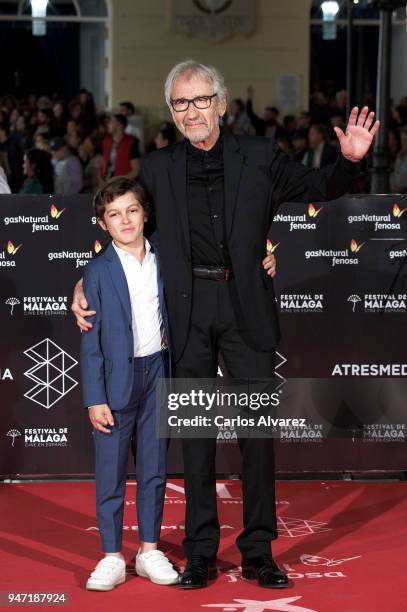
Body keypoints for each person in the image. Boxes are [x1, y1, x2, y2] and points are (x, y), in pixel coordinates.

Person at [72, 60, 379, 590]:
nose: (192, 112)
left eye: (200, 99)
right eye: (180, 103)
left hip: (246, 308)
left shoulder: (259, 156)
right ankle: (200, 552)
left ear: (221, 101)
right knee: (196, 438)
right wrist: (83, 283)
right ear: (172, 112)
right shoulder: (159, 167)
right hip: (189, 314)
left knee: (256, 438)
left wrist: (348, 161)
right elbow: (128, 232)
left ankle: (259, 548)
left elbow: (318, 185)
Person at [81, 176, 179, 591]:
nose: (125, 220)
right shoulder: (97, 271)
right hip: (115, 381)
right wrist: (94, 397)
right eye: (114, 215)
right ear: (103, 223)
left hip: (158, 370)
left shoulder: (167, 259)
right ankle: (111, 556)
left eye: (132, 211)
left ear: (145, 213)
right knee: (111, 474)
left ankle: (149, 548)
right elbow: (90, 340)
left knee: (155, 470)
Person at [101, 114, 141, 179]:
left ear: (120, 125)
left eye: (111, 121)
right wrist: (100, 179)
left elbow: (136, 171)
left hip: (122, 184)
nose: (108, 124)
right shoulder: (106, 141)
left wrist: (119, 182)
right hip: (107, 181)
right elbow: (102, 163)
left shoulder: (131, 143)